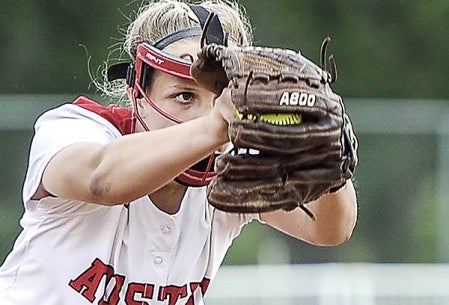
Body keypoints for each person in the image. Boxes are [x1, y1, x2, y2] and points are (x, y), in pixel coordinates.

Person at [0, 0, 358, 304]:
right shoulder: (76, 128)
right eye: (184, 96)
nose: (206, 113)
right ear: (137, 93)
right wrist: (218, 124)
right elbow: (101, 180)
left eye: (220, 97)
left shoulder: (233, 169)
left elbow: (330, 229)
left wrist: (327, 161)